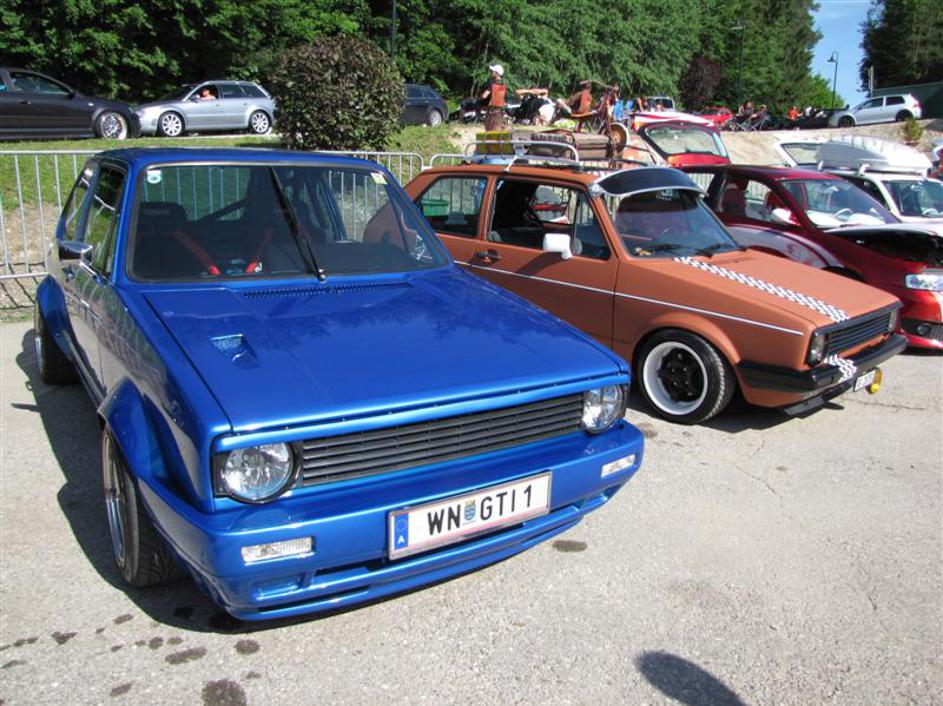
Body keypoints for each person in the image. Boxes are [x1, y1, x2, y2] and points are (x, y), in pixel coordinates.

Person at [480, 64, 507, 132]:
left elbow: (484, 95)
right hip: (500, 111)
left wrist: (481, 97)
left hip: (491, 110)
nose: (491, 72)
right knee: (498, 130)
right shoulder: (504, 84)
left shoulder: (492, 83)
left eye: (493, 71)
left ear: (497, 73)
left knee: (489, 130)